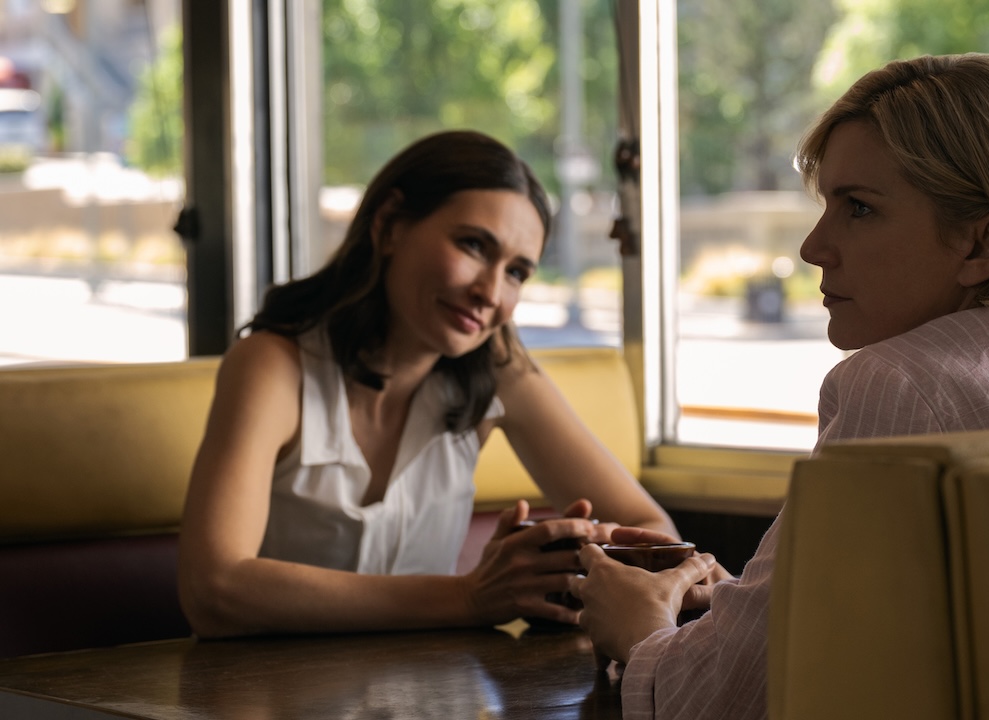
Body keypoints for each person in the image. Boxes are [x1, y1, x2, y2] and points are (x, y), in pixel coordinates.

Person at [568, 53, 989, 719]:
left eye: (860, 209)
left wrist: (640, 628)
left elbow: (718, 704)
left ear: (983, 243)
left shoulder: (901, 385)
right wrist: (754, 609)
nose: (813, 247)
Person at [178, 130, 676, 638]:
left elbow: (655, 532)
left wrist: (572, 558)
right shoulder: (272, 364)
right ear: (390, 225)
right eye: (473, 245)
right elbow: (213, 591)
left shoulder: (499, 369)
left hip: (432, 684)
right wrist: (470, 596)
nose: (490, 292)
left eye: (516, 272)